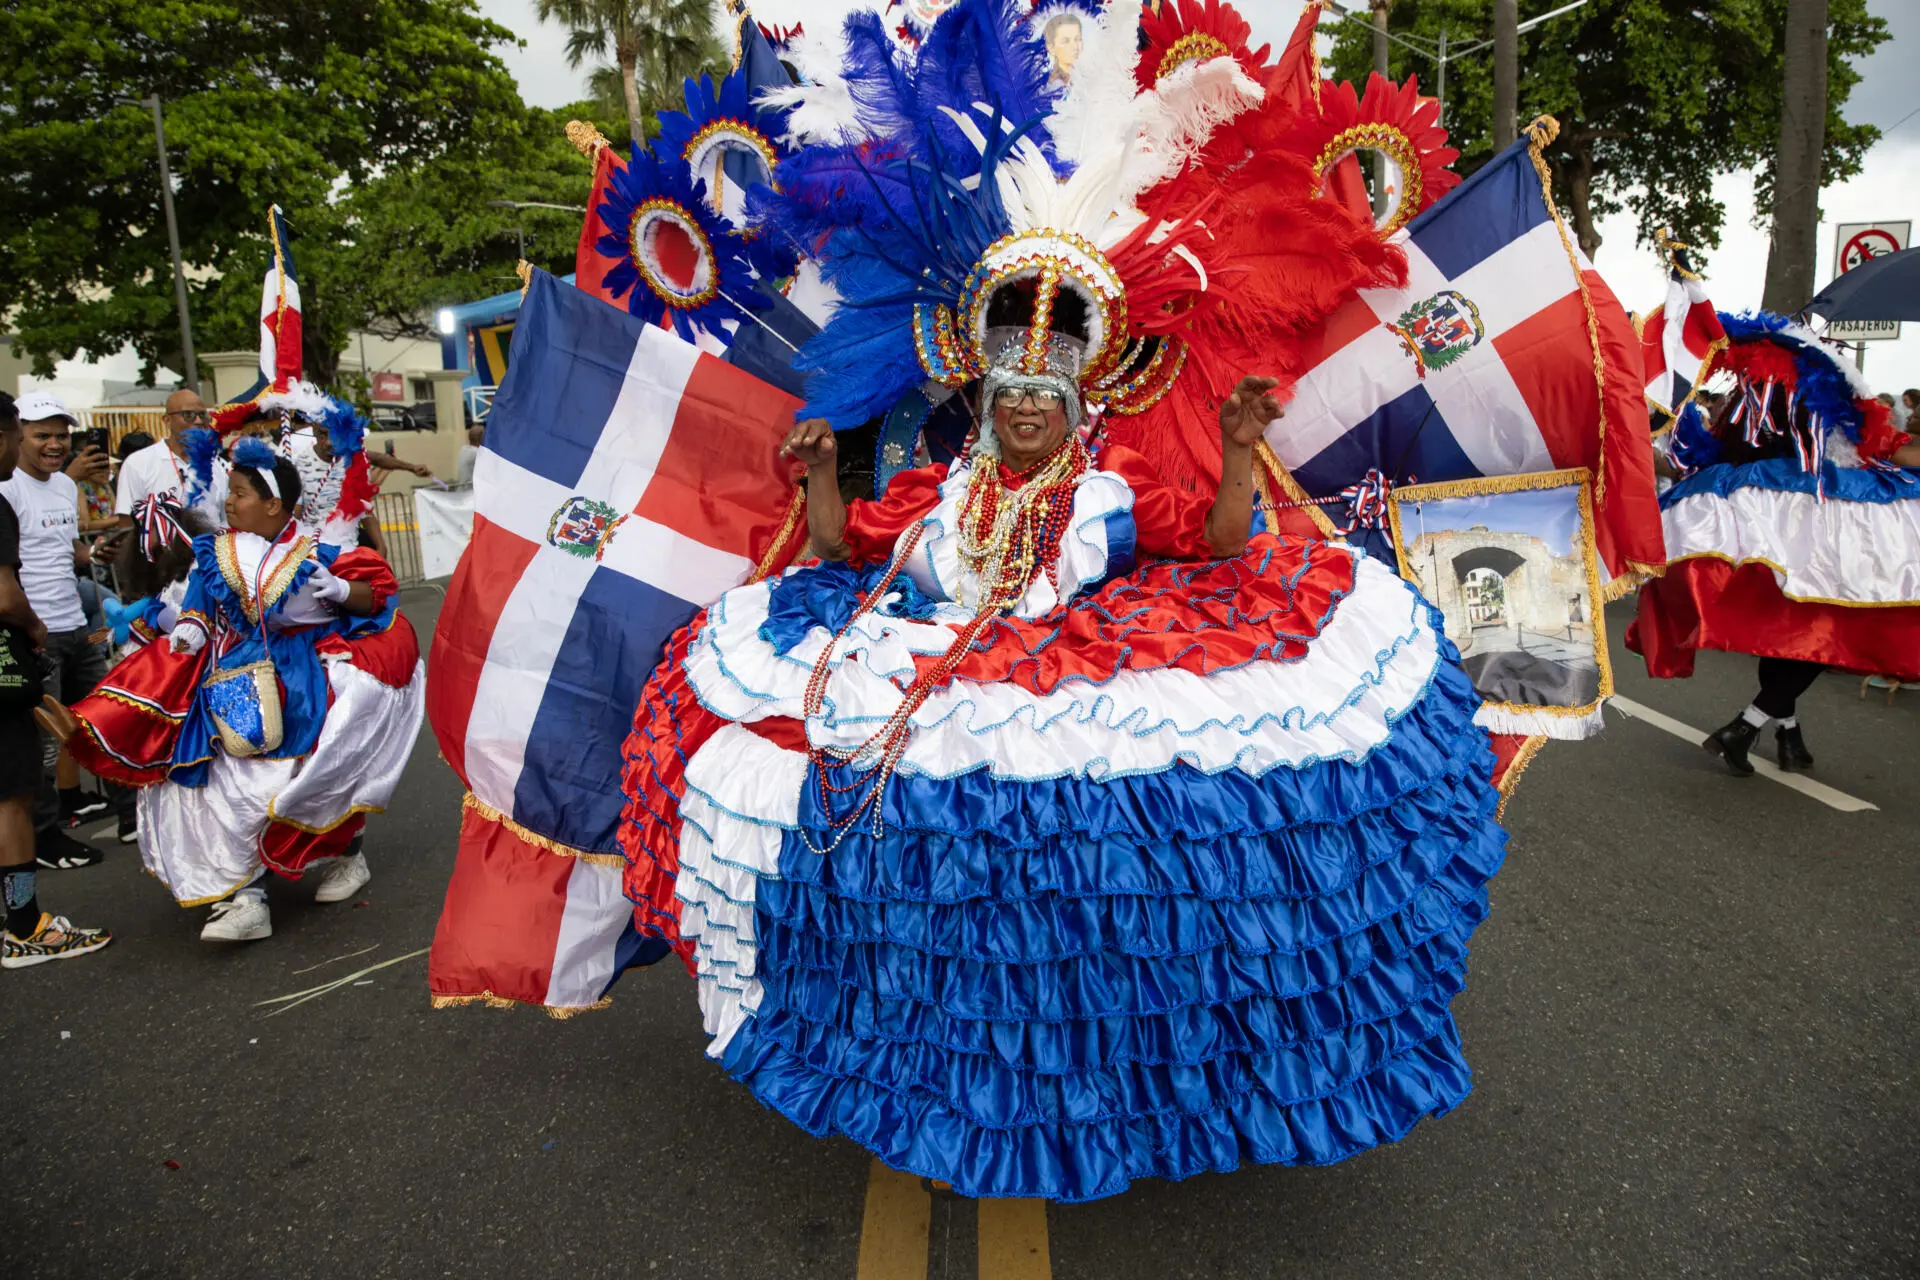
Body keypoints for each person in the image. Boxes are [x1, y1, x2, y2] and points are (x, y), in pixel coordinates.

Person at [45, 399, 427, 943]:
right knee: (223, 785)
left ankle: (345, 854)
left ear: (274, 506)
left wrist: (343, 591)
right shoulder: (217, 552)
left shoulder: (321, 548)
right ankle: (245, 897)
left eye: (242, 495)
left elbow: (376, 600)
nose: (230, 502)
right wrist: (186, 630)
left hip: (306, 682)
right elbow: (199, 611)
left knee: (303, 781)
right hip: (232, 681)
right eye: (230, 493)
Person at [1630, 314, 1920, 774]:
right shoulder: (1825, 399)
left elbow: (1710, 455)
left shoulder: (1746, 411)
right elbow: (1882, 447)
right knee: (1820, 630)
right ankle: (1744, 727)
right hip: (1814, 531)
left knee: (1788, 635)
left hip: (1763, 526)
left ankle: (1787, 735)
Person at [0, 392, 112, 968]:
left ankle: (95, 810)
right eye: (41, 433)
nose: (54, 443)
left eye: (61, 433)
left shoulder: (66, 489)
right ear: (16, 434)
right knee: (29, 766)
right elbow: (7, 581)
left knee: (85, 726)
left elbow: (65, 553)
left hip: (72, 623)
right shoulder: (4, 492)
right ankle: (43, 851)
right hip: (30, 638)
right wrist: (33, 625)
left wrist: (92, 560)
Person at [115, 388, 227, 526]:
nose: (198, 421)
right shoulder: (138, 463)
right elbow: (127, 520)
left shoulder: (216, 465)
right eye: (188, 414)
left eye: (203, 415)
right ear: (167, 420)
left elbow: (225, 518)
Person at [1044, 11, 1082, 86]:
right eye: (1066, 41)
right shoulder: (1053, 86)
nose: (1075, 46)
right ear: (1051, 47)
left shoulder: (1083, 78)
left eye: (1078, 39)